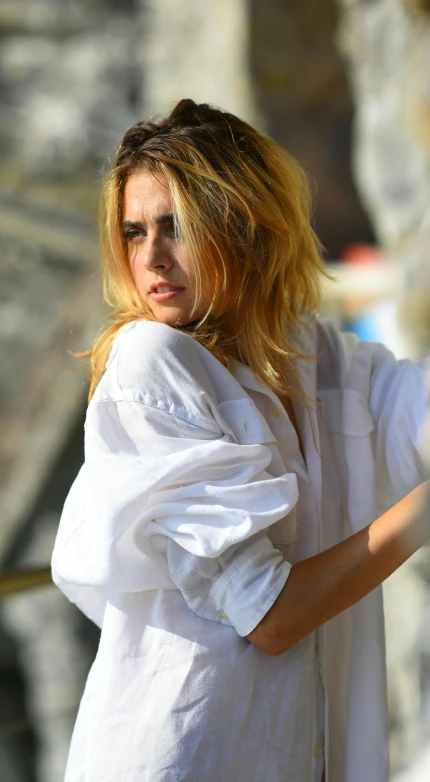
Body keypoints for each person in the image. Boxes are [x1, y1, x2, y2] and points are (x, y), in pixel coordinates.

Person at [51, 99, 430, 782]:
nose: (151, 258)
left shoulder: (315, 356)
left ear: (247, 226)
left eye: (175, 227)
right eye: (133, 233)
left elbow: (419, 410)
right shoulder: (150, 364)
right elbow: (272, 614)